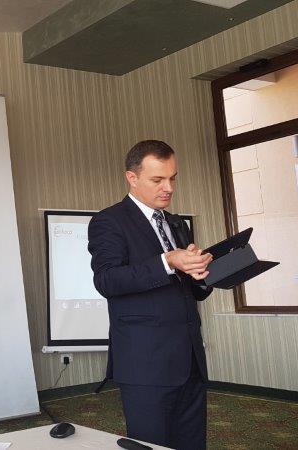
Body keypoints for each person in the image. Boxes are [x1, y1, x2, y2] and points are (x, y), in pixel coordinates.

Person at [87, 140, 213, 450]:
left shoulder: (176, 223)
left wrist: (200, 273)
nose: (168, 188)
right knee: (151, 445)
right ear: (132, 178)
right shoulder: (109, 221)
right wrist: (167, 261)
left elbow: (187, 292)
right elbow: (107, 280)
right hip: (146, 365)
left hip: (190, 361)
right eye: (158, 179)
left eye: (173, 178)